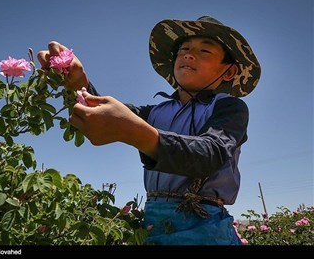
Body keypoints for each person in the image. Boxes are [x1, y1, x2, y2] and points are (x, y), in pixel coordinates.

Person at [37, 15, 261, 245]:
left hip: (206, 227)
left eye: (204, 51)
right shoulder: (156, 112)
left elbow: (210, 153)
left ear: (229, 72)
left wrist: (137, 133)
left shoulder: (229, 107)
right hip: (153, 221)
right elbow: (100, 110)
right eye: (184, 48)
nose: (188, 54)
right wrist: (77, 81)